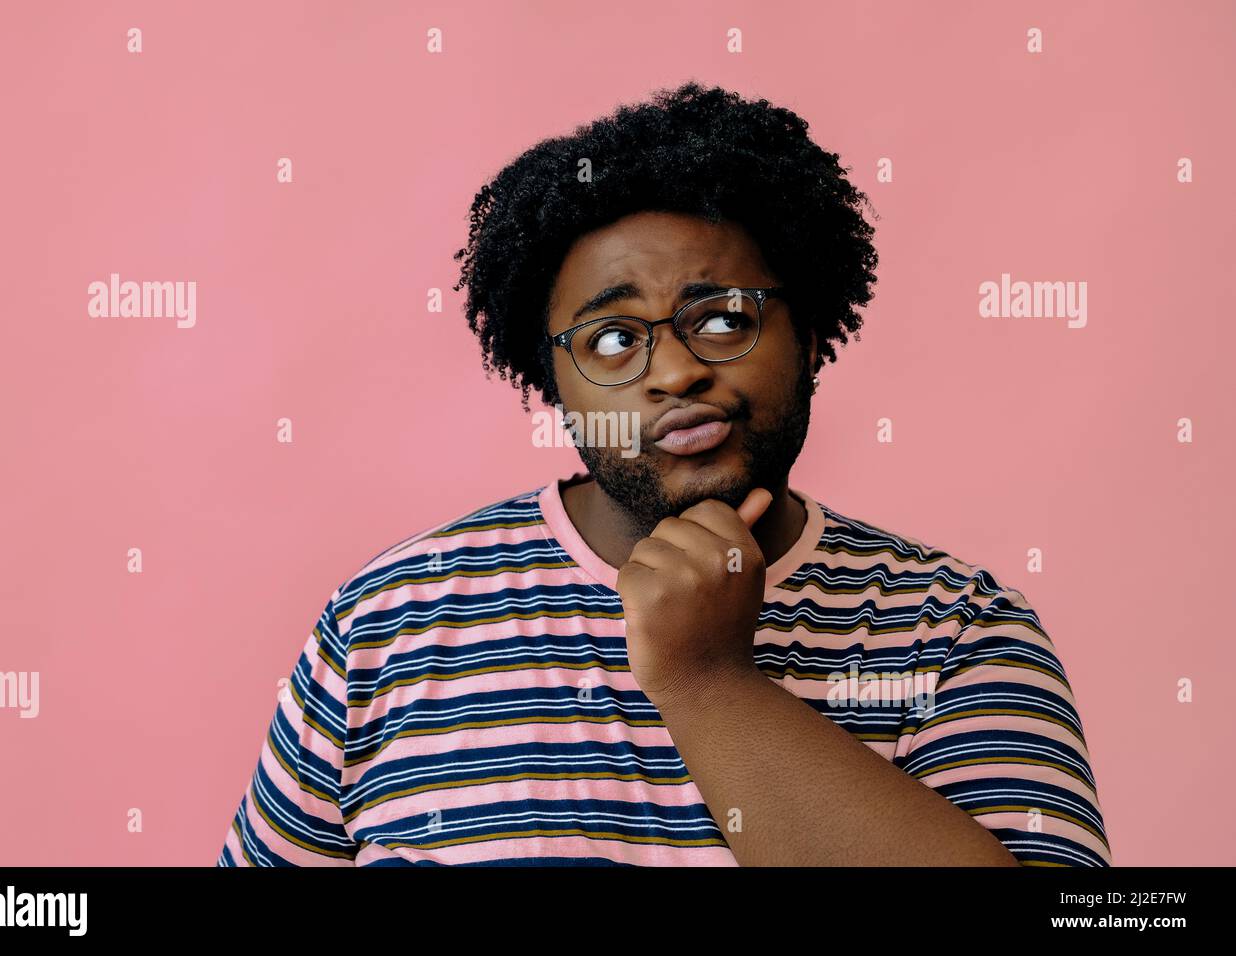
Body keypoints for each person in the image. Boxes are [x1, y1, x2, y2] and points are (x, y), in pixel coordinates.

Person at [218, 82, 1110, 867]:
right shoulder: (387, 621)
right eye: (613, 339)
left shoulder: (953, 630)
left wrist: (707, 678)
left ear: (810, 337)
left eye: (722, 319)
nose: (673, 371)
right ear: (549, 379)